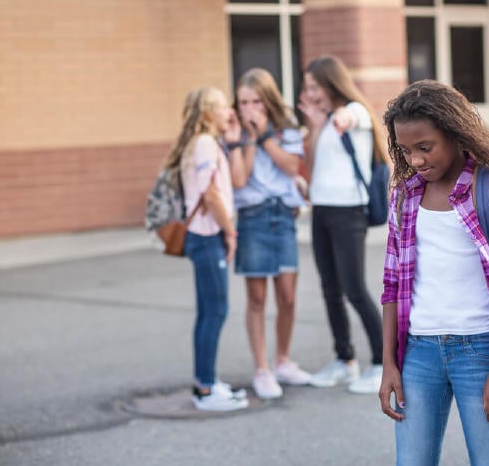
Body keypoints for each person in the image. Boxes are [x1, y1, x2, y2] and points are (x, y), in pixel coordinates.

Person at [377, 79, 489, 465]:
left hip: (480, 352)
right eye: (406, 150)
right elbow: (392, 285)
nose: (414, 160)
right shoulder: (405, 195)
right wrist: (388, 365)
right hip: (418, 353)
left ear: (453, 133)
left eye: (425, 148)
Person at [297, 55, 389, 393]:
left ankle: (382, 364)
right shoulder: (321, 122)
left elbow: (351, 118)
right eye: (306, 88)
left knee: (354, 288)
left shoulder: (356, 111)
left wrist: (339, 118)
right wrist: (317, 126)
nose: (310, 94)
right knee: (329, 289)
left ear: (330, 83)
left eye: (314, 87)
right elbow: (311, 165)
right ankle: (344, 360)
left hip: (349, 211)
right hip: (321, 210)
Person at [226, 68, 312, 399]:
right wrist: (246, 140)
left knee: (288, 296)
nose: (249, 108)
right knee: (258, 297)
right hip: (253, 216)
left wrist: (264, 136)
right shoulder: (236, 132)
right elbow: (241, 178)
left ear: (268, 100)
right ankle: (261, 368)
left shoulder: (285, 128)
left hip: (282, 214)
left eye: (255, 101)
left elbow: (291, 166)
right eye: (243, 101)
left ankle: (282, 361)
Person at [163, 86, 249, 412]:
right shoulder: (203, 144)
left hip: (204, 236)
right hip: (207, 235)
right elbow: (211, 195)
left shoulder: (207, 143)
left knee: (208, 312)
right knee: (215, 311)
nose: (230, 110)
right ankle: (206, 389)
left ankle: (206, 381)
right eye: (223, 105)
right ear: (207, 113)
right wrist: (230, 232)